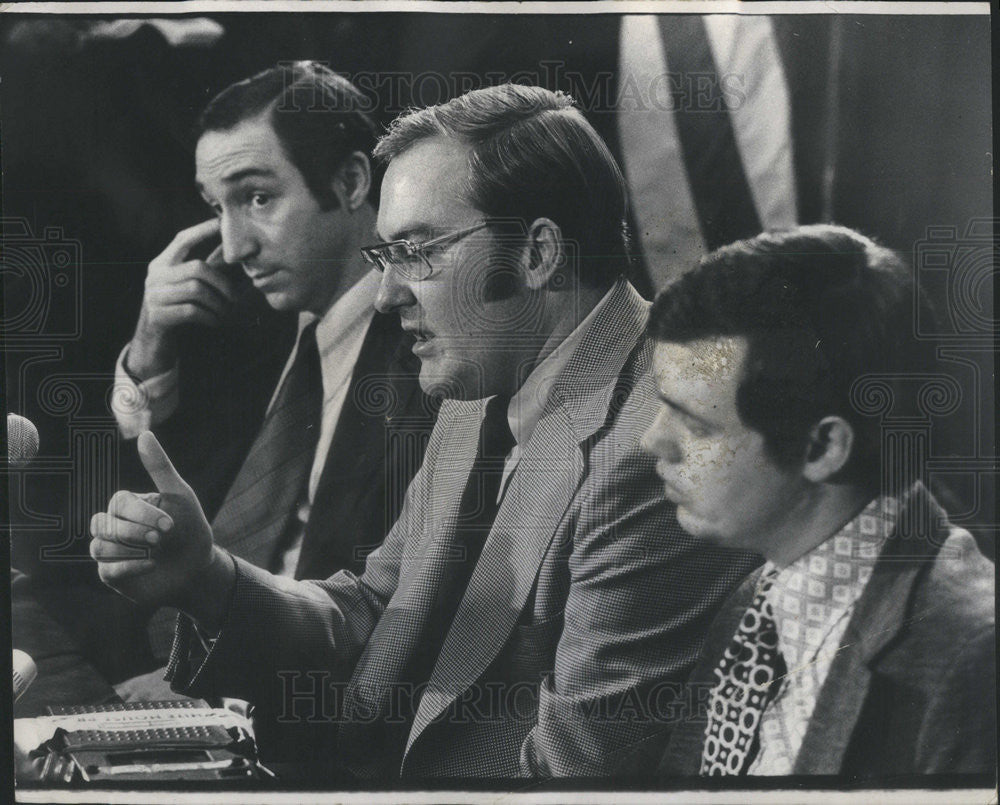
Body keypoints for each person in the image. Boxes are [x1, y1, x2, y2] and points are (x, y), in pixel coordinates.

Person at [89, 83, 758, 778]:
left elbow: (575, 778)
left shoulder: (664, 440)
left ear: (537, 254)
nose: (386, 295)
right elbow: (375, 609)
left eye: (418, 251)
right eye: (385, 257)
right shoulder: (486, 372)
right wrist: (207, 577)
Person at [109, 61, 435, 696]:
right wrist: (150, 343)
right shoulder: (236, 327)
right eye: (217, 208)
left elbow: (383, 616)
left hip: (308, 691)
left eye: (258, 198)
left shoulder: (427, 352)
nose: (233, 247)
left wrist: (201, 678)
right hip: (165, 654)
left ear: (349, 181)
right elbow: (145, 500)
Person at [641, 225, 995, 778]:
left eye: (694, 424)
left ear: (824, 447)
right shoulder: (756, 599)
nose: (651, 442)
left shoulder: (969, 658)